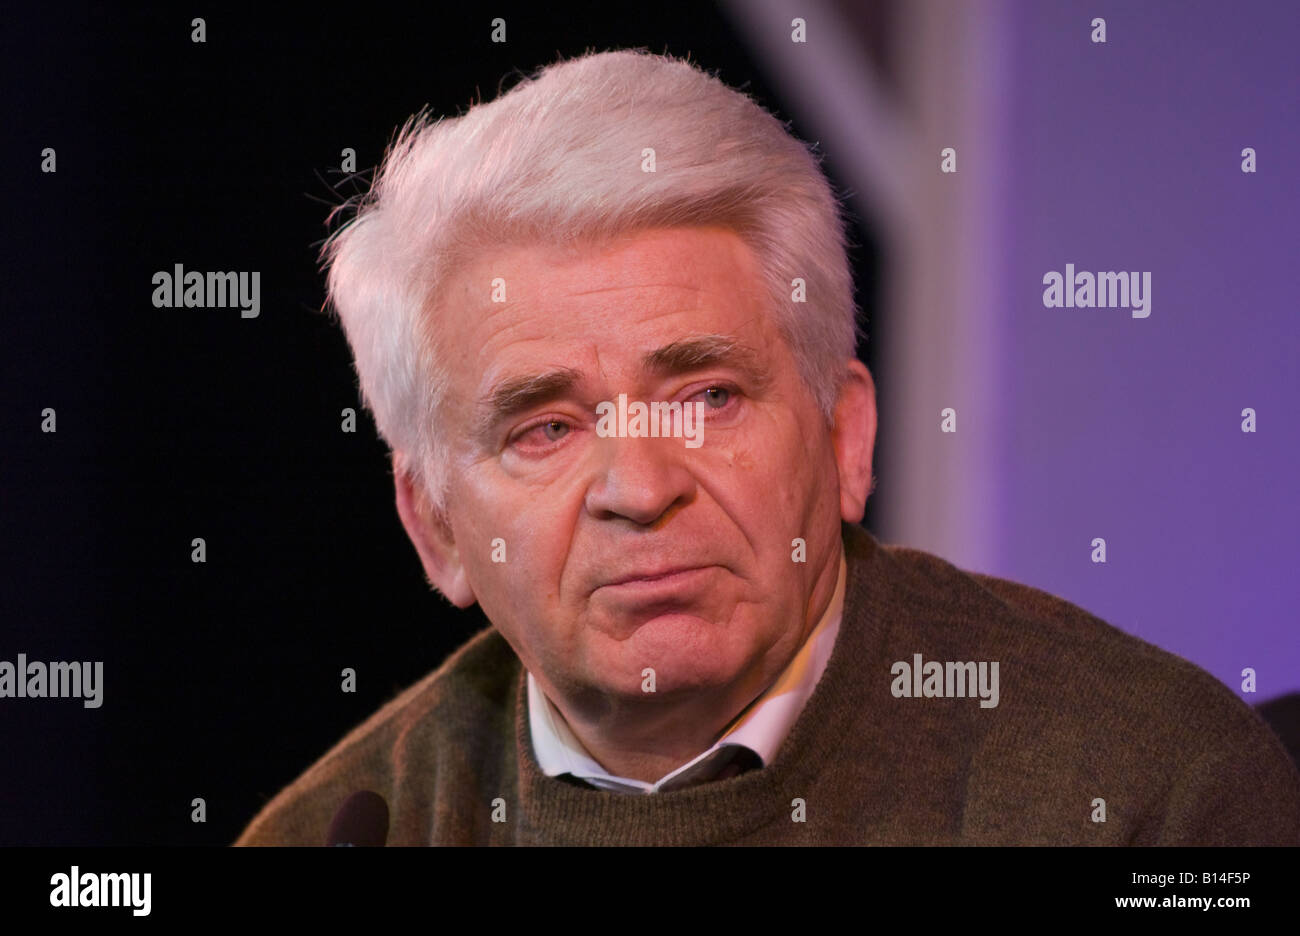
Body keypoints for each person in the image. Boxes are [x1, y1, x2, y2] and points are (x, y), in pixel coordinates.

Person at [235, 49, 1300, 845]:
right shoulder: (334, 832)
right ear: (433, 528)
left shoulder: (1149, 795)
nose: (640, 490)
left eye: (705, 396)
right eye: (545, 430)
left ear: (844, 437)